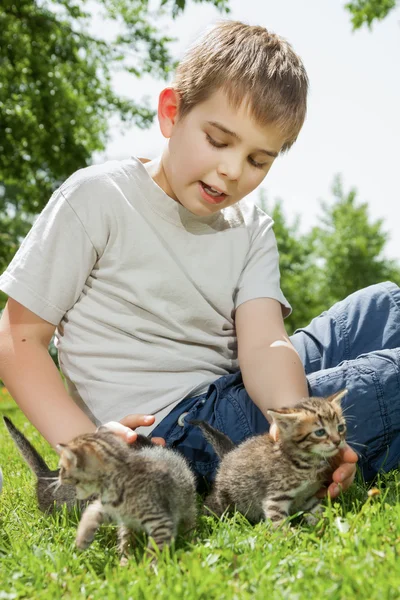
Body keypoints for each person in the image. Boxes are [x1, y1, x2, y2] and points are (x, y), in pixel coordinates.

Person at [1, 20, 397, 501]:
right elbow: (18, 338)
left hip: (231, 392)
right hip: (173, 435)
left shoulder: (250, 227)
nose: (232, 170)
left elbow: (265, 347)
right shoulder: (99, 199)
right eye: (218, 140)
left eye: (257, 160)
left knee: (385, 306)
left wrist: (299, 422)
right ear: (172, 113)